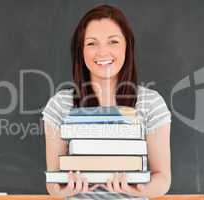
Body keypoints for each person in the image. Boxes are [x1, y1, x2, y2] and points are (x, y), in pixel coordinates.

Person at [42, 4, 172, 199]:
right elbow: (53, 183)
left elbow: (162, 179)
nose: (102, 52)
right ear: (81, 50)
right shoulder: (60, 105)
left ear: (127, 46)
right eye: (92, 43)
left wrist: (140, 190)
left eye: (113, 42)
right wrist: (61, 190)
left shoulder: (151, 103)